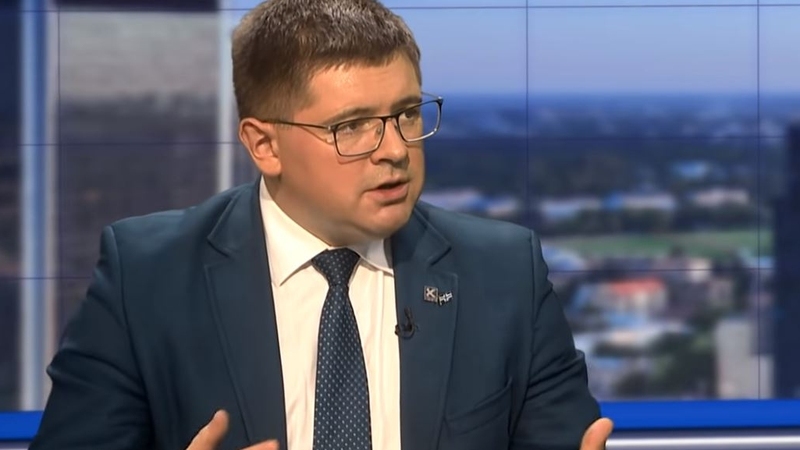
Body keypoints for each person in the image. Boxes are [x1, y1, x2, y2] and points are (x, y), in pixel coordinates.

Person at [29, 0, 613, 449]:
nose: (395, 150)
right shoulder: (146, 277)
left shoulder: (503, 273)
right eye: (352, 126)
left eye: (407, 113)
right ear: (264, 145)